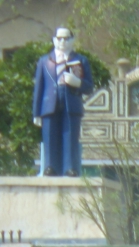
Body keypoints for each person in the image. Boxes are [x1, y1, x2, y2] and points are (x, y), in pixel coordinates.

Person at [32, 27, 94, 177]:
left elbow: (89, 86)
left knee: (70, 136)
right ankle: (50, 166)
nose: (62, 42)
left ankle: (70, 167)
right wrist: (36, 113)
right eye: (59, 38)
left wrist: (77, 82)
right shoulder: (44, 61)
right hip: (49, 105)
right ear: (54, 40)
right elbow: (39, 88)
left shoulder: (80, 60)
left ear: (72, 40)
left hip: (70, 104)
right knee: (50, 136)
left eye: (66, 38)